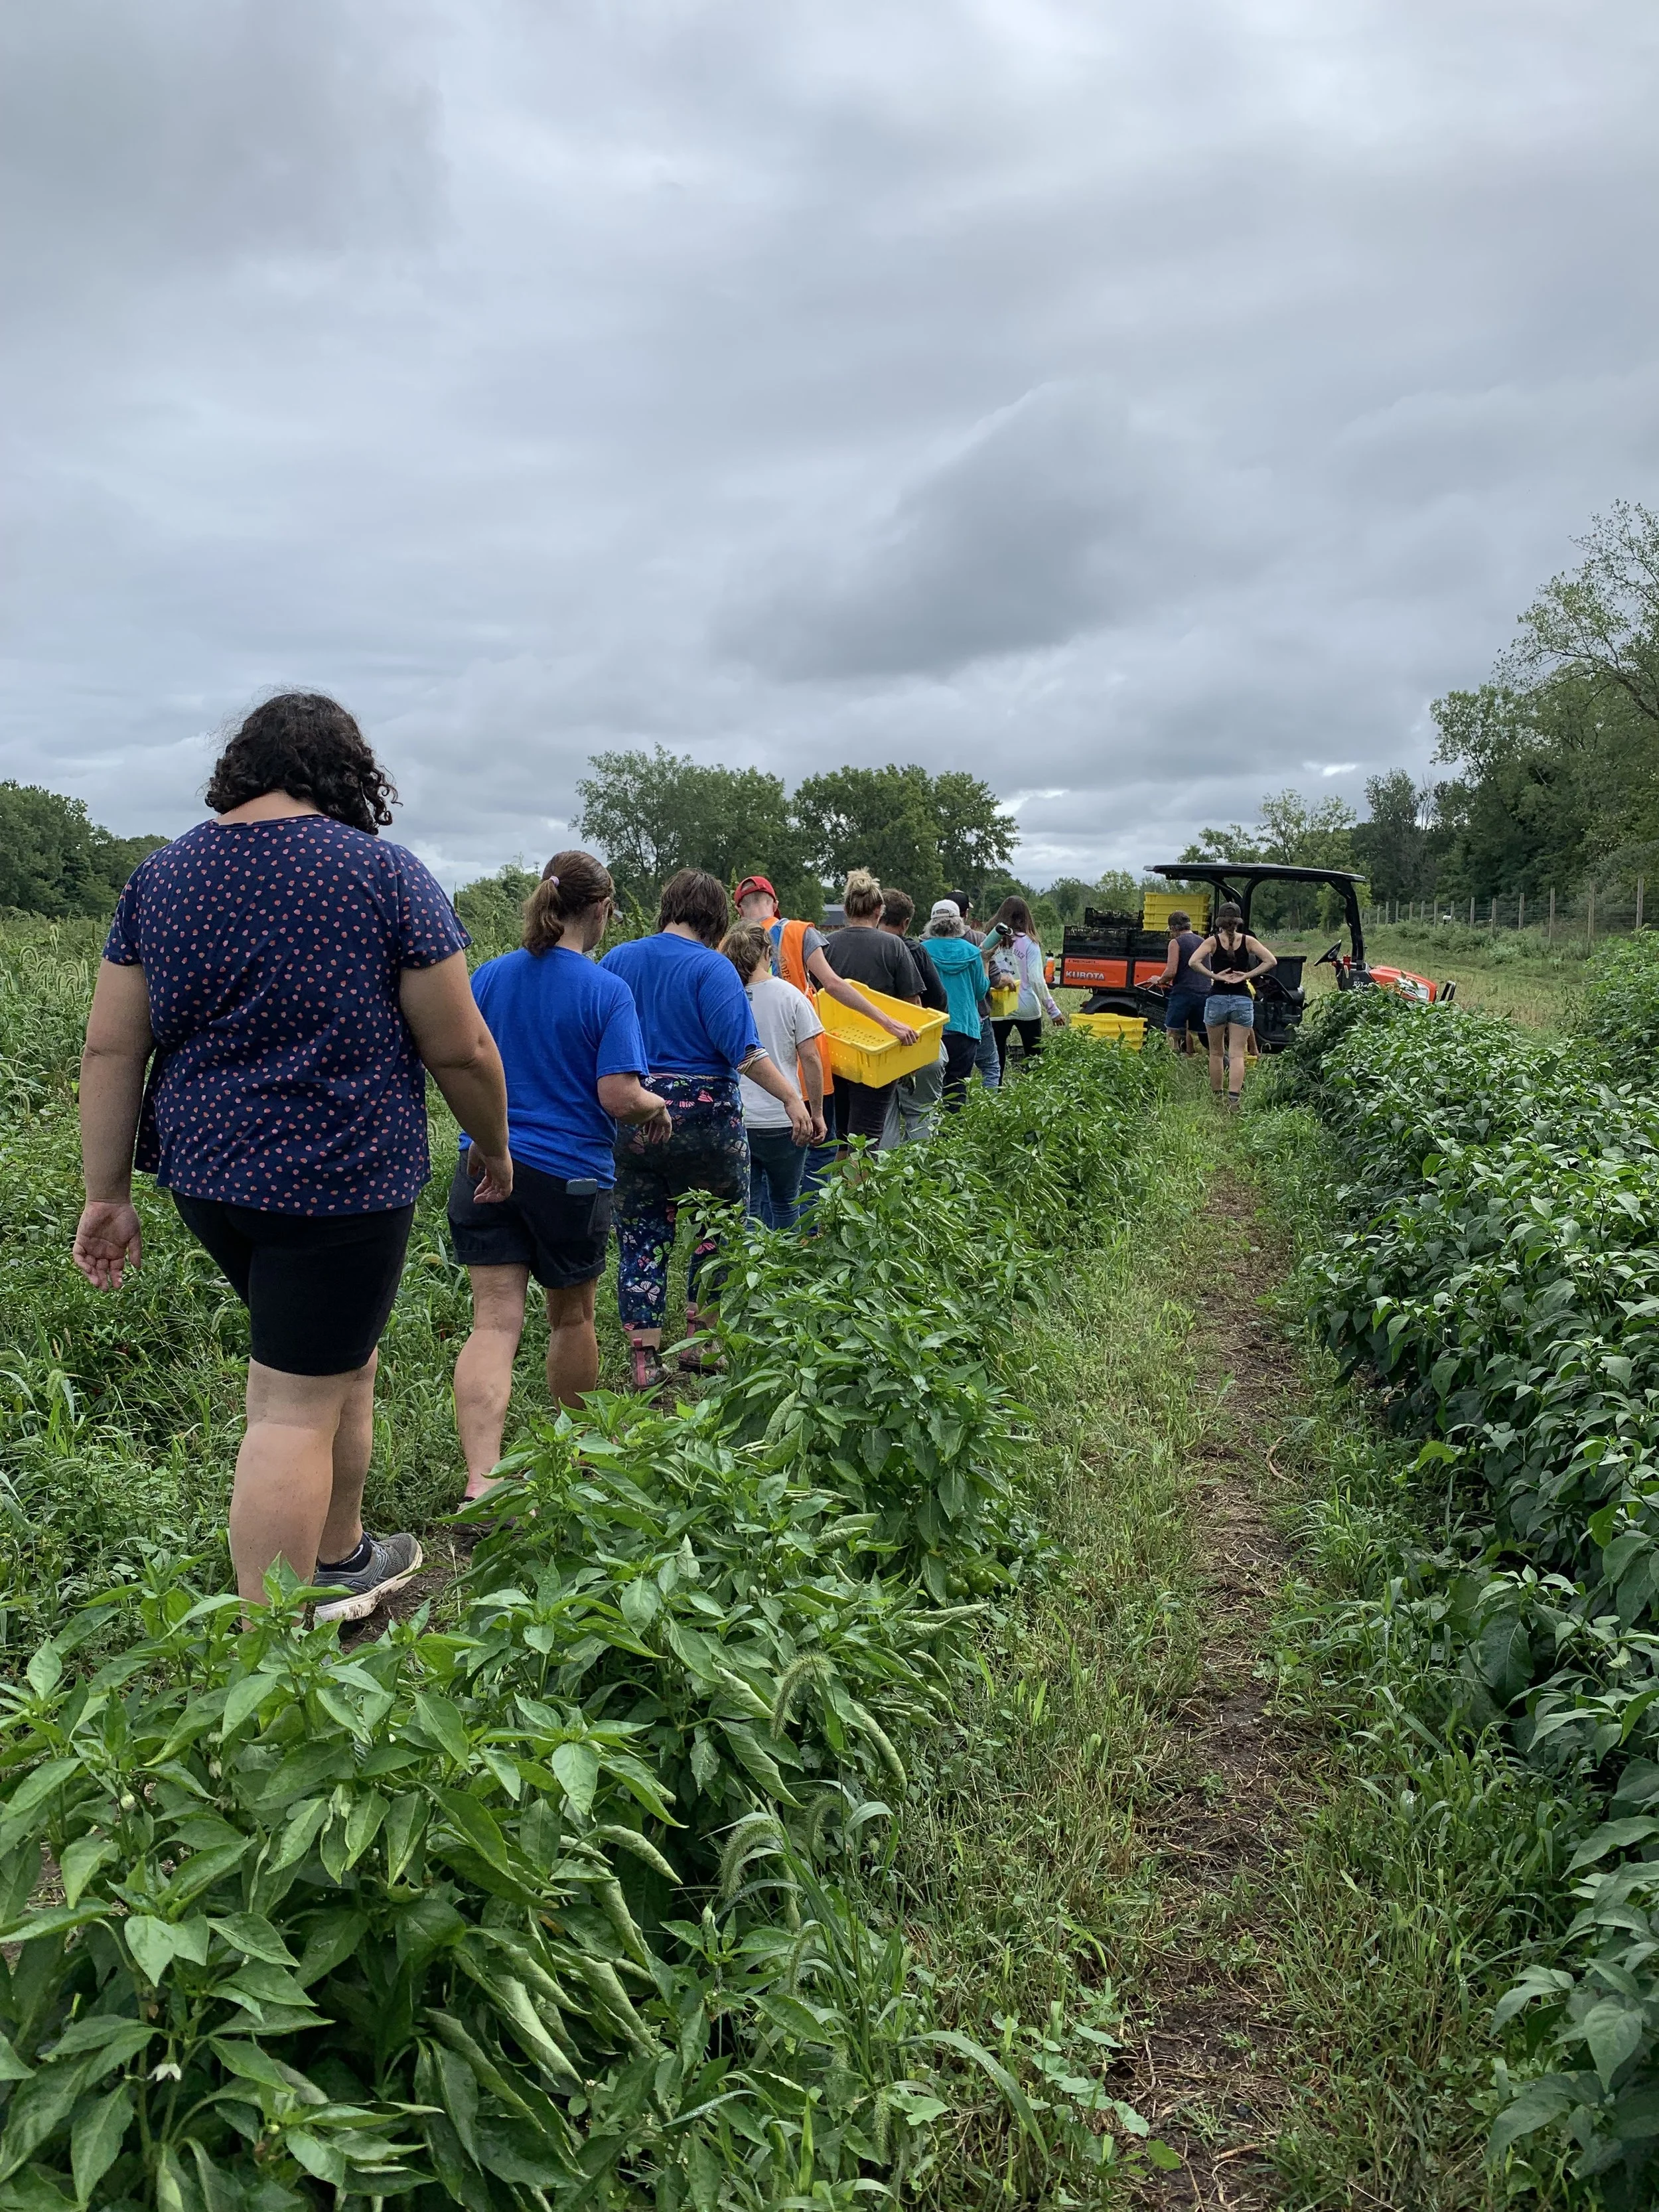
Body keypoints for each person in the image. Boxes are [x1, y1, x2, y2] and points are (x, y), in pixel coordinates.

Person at [72, 692, 513, 1619]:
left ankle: (343, 1553)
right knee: (289, 1403)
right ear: (348, 776)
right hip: (338, 1185)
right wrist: (496, 1145)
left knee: (335, 1359)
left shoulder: (161, 879)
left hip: (208, 1178)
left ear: (240, 769)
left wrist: (105, 1192)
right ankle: (272, 1647)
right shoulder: (385, 877)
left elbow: (112, 1046)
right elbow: (462, 1047)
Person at [449, 852, 673, 1503]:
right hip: (569, 1178)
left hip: (484, 1165)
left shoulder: (488, 977)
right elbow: (618, 1095)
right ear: (601, 908)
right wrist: (658, 1107)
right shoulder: (606, 990)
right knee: (571, 1319)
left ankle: (480, 1482)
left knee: (492, 1323)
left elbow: (458, 1062)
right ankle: (580, 1454)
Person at [603, 869, 811, 1388]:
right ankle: (703, 1343)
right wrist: (790, 1095)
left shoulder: (616, 961)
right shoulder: (713, 968)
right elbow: (743, 1050)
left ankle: (645, 1359)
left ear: (667, 906)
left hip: (634, 1117)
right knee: (717, 1229)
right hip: (707, 1123)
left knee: (642, 1235)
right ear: (718, 916)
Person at [734, 873, 916, 1194]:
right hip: (803, 1067)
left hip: (752, 1070)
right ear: (775, 904)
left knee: (756, 1173)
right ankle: (811, 1227)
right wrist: (888, 1023)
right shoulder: (799, 933)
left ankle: (760, 1237)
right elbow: (833, 985)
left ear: (739, 910)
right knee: (817, 1149)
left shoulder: (730, 942)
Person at [721, 921, 825, 1228]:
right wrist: (815, 1112)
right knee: (785, 1203)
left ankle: (751, 1269)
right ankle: (787, 1272)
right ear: (768, 952)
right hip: (785, 1120)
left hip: (738, 1120)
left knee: (748, 1208)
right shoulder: (791, 996)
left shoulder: (726, 998)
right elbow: (810, 1058)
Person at [820, 869, 925, 1147]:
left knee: (842, 1136)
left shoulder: (826, 946)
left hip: (835, 1050)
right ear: (880, 911)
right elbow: (913, 1004)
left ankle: (841, 1189)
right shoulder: (894, 946)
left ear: (845, 909)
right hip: (879, 1054)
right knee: (866, 1138)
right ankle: (862, 1190)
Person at [1189, 901, 1278, 1105]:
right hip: (1242, 1000)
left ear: (1219, 921)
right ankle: (1234, 1099)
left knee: (1216, 1052)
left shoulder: (1212, 941)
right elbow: (1271, 961)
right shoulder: (1248, 941)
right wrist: (1246, 975)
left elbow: (1193, 962)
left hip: (1216, 999)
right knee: (1238, 1054)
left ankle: (1216, 1096)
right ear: (1238, 922)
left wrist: (1214, 976)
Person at [879, 889, 947, 1143]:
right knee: (922, 1114)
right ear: (906, 923)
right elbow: (939, 1000)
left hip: (876, 1052)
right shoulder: (916, 951)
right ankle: (921, 1177)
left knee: (882, 1120)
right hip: (920, 1045)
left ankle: (884, 1177)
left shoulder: (863, 948)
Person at [923, 900, 991, 1109]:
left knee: (930, 1094)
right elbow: (981, 991)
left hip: (932, 1029)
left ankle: (930, 1137)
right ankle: (954, 1136)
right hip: (965, 1030)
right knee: (957, 1090)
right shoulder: (972, 953)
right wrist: (986, 962)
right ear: (959, 922)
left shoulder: (921, 951)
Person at [987, 896, 1066, 1072]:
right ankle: (1033, 1094)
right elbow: (1037, 980)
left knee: (996, 1062)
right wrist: (1053, 1011)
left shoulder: (991, 940)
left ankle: (995, 1095)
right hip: (1027, 1005)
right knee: (1034, 1059)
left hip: (999, 1006)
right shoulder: (1030, 942)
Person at [948, 889, 1004, 1094]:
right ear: (965, 914)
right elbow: (993, 980)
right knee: (990, 1067)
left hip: (943, 1020)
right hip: (977, 1016)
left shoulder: (927, 944)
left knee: (951, 1074)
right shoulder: (979, 941)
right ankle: (987, 1113)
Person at [1149, 911, 1208, 1056]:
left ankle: (1172, 1059)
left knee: (1172, 1030)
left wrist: (1159, 980)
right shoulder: (1203, 942)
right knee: (1200, 1032)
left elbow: (1171, 971)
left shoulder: (1175, 943)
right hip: (1205, 992)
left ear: (1173, 928)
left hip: (1184, 993)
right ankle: (1210, 1059)